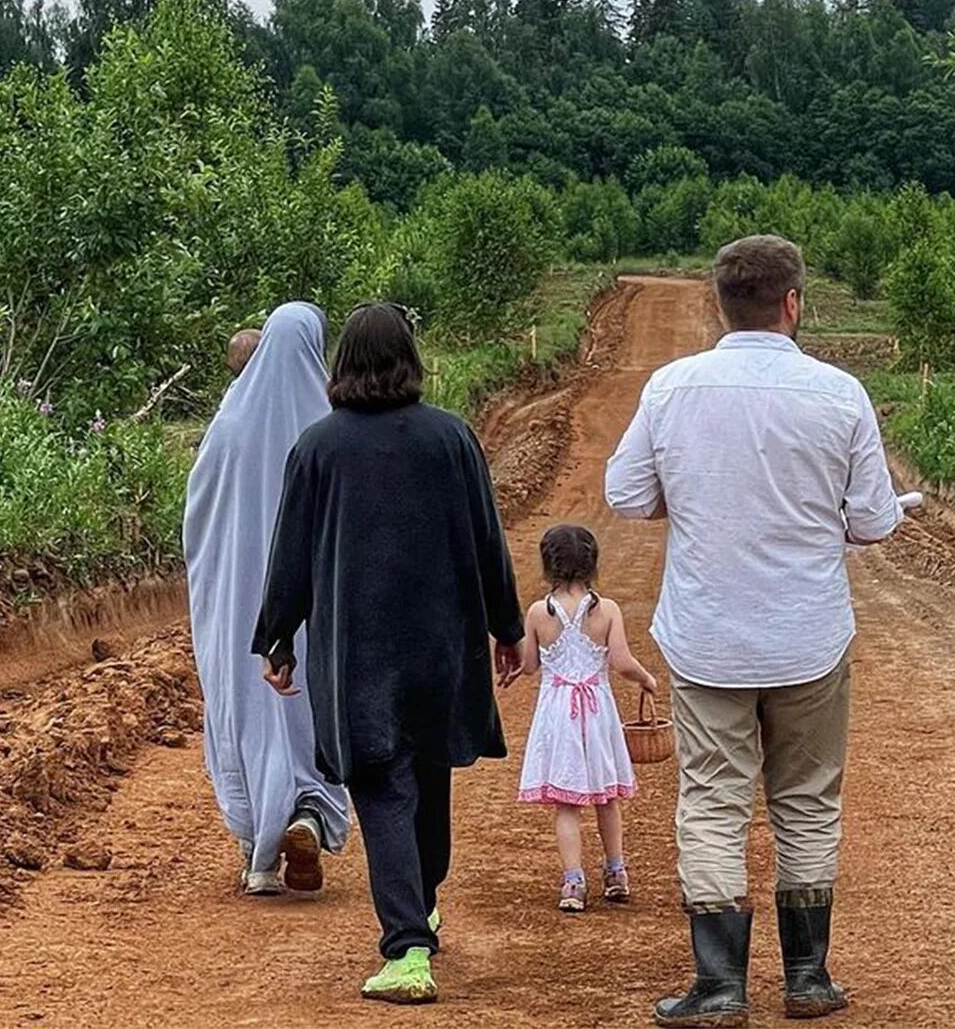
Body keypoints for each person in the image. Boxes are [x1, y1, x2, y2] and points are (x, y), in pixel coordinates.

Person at [605, 235, 903, 1027]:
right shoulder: (839, 394)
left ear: (718, 303)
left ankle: (719, 985)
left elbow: (627, 494)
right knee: (806, 799)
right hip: (808, 633)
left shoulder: (672, 389)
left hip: (708, 634)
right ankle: (807, 978)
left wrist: (693, 499)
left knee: (711, 800)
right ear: (794, 303)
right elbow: (874, 520)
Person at [253, 302, 525, 1005]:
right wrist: (507, 626)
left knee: (382, 786)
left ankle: (407, 948)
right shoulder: (451, 439)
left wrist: (277, 637)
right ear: (410, 358)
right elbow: (487, 539)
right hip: (440, 645)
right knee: (427, 781)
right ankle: (421, 905)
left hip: (358, 653)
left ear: (341, 363)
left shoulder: (319, 447)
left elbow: (292, 554)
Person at [183, 302, 350, 897]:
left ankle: (258, 856)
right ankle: (308, 812)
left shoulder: (227, 427)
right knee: (309, 711)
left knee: (246, 709)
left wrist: (222, 580)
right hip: (309, 604)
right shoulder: (329, 426)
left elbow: (197, 521)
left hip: (237, 605)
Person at [516, 524, 658, 913]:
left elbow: (529, 665)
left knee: (567, 802)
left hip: (558, 711)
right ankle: (616, 871)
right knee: (606, 796)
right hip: (597, 711)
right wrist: (647, 679)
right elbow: (622, 662)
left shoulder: (537, 613)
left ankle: (573, 882)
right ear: (593, 563)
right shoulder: (606, 609)